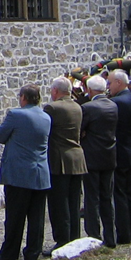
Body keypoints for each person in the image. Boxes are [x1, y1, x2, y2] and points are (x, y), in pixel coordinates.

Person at [0, 83, 51, 260]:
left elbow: (0, 136)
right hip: (40, 173)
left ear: (23, 97)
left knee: (15, 217)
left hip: (19, 174)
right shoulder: (46, 117)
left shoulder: (16, 114)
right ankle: (33, 252)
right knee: (36, 217)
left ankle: (9, 253)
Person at [44, 76, 87, 250]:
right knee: (74, 202)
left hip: (59, 159)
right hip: (77, 159)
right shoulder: (78, 107)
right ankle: (74, 237)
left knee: (58, 203)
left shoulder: (52, 108)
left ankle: (62, 240)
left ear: (55, 91)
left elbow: (45, 131)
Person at [80, 74, 118, 247]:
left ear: (89, 90)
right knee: (107, 198)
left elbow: (80, 131)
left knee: (92, 198)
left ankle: (93, 236)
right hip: (109, 156)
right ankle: (110, 237)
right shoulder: (113, 105)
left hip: (91, 157)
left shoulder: (88, 108)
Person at [108, 69, 131, 243]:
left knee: (119, 193)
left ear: (118, 83)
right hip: (130, 152)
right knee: (129, 191)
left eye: (110, 83)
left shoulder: (116, 103)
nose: (108, 87)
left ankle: (124, 233)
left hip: (119, 153)